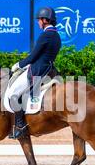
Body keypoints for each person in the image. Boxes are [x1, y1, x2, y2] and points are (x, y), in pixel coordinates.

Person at [7, 7, 62, 139]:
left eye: (39, 20)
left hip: (37, 70)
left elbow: (33, 57)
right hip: (49, 69)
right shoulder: (57, 36)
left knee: (13, 95)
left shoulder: (45, 35)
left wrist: (18, 65)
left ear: (45, 20)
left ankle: (20, 126)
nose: (38, 22)